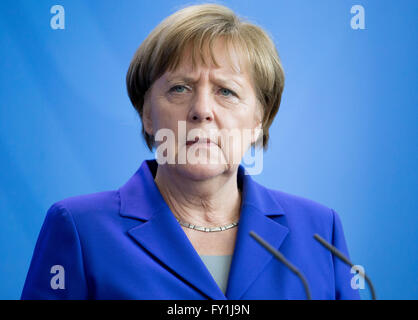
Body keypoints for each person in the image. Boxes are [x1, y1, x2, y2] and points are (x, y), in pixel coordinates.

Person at [21, 3, 360, 300]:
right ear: (148, 114)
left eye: (226, 91)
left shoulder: (319, 231)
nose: (201, 110)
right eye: (180, 88)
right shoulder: (80, 229)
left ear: (259, 120)